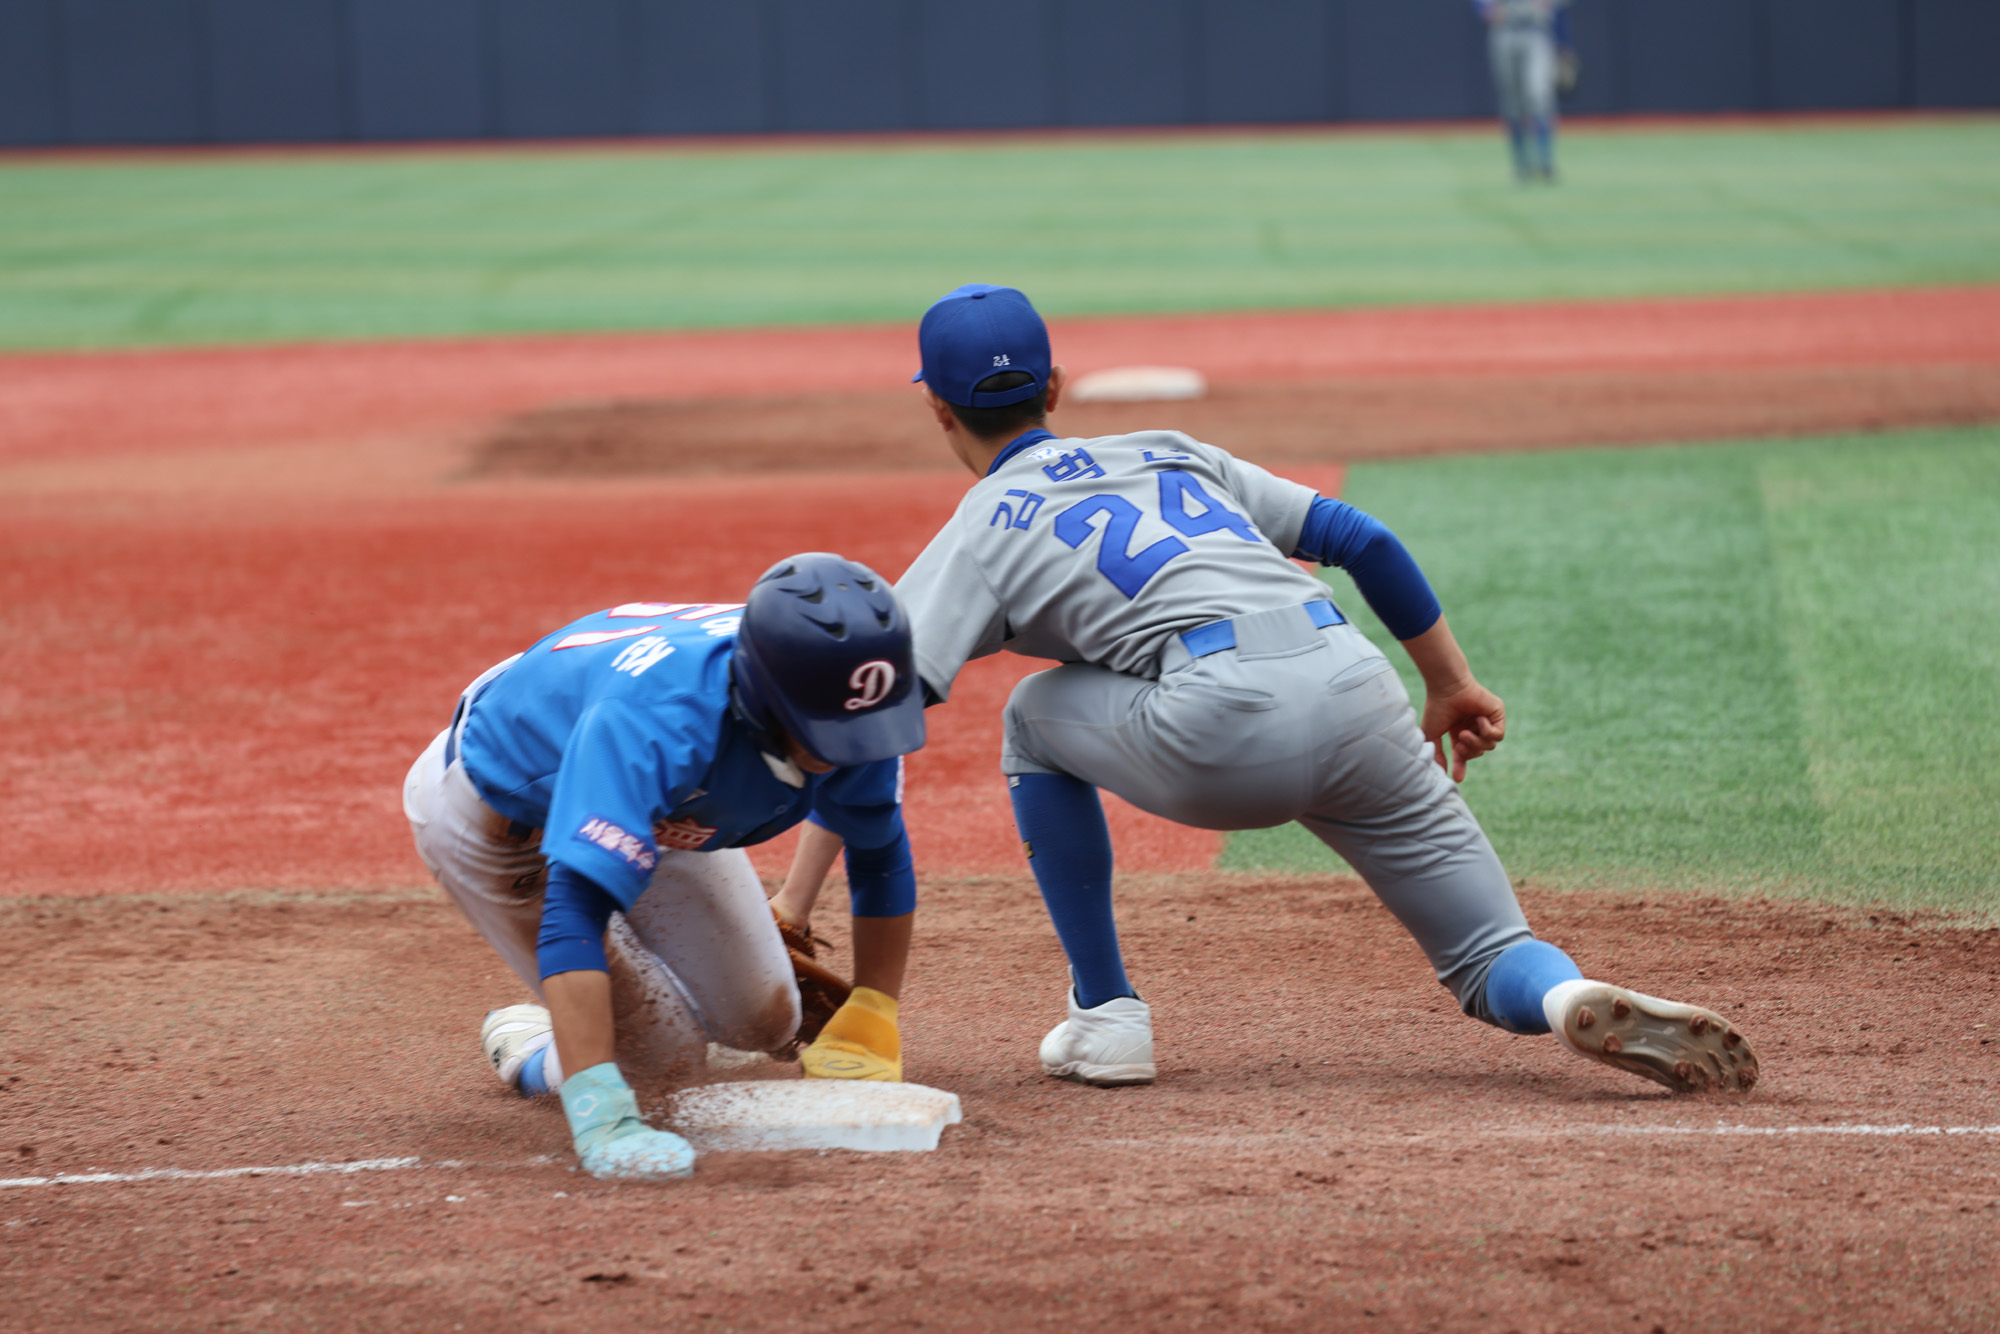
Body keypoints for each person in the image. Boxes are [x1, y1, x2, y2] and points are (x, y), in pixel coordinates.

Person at [882, 283, 1758, 1096]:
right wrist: (1449, 684)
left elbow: (882, 705)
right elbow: (1363, 539)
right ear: (1059, 387)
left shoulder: (981, 525)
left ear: (936, 409)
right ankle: (1564, 999)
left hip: (1221, 727)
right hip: (1356, 689)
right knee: (1491, 955)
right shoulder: (1169, 452)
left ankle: (1107, 1016)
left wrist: (800, 892)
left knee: (1033, 719)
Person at [402, 554, 924, 1181]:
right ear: (762, 695)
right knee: (661, 1067)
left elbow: (879, 853)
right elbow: (577, 907)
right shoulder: (657, 724)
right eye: (825, 731)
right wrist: (601, 1108)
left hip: (666, 793)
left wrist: (874, 1011)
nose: (850, 749)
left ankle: (627, 1018)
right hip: (501, 811)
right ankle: (538, 1049)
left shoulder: (846, 697)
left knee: (767, 1018)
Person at [1478, 0, 1570, 182]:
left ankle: (1545, 160)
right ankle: (1521, 164)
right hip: (1504, 32)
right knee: (1513, 103)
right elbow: (1481, 5)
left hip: (1536, 32)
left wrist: (1565, 42)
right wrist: (1487, 8)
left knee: (1538, 95)